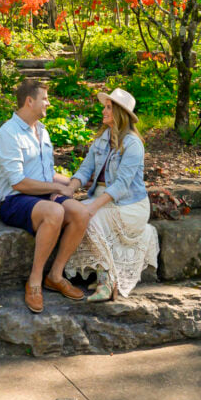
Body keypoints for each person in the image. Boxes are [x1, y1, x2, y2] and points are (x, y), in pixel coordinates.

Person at [0, 79, 90, 314]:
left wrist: (72, 182)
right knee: (56, 210)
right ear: (29, 101)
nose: (48, 103)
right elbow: (18, 182)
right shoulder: (9, 133)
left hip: (42, 197)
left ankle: (55, 276)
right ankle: (34, 281)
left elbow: (46, 173)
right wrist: (56, 189)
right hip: (15, 200)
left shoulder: (42, 130)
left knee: (81, 212)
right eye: (45, 99)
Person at [64, 87, 159, 302]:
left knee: (89, 219)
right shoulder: (102, 139)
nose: (104, 111)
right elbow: (85, 169)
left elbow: (122, 185)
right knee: (72, 214)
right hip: (102, 199)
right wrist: (69, 189)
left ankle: (107, 281)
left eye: (108, 108)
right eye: (105, 107)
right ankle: (101, 273)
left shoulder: (133, 144)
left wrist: (91, 207)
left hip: (129, 205)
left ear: (119, 113)